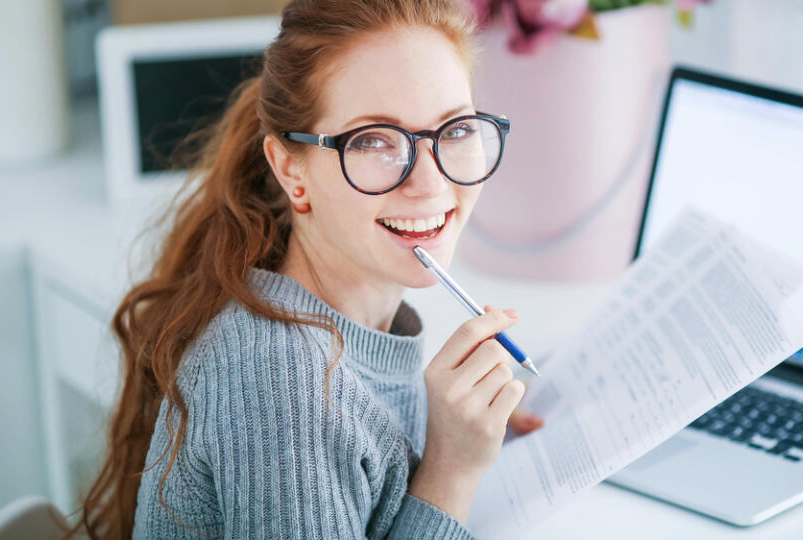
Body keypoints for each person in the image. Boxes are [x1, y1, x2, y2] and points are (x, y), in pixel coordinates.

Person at [77, 0, 544, 538]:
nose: (431, 183)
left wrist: (465, 426)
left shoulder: (347, 324)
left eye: (456, 130)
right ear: (291, 172)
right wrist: (451, 471)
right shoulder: (285, 390)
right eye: (373, 141)